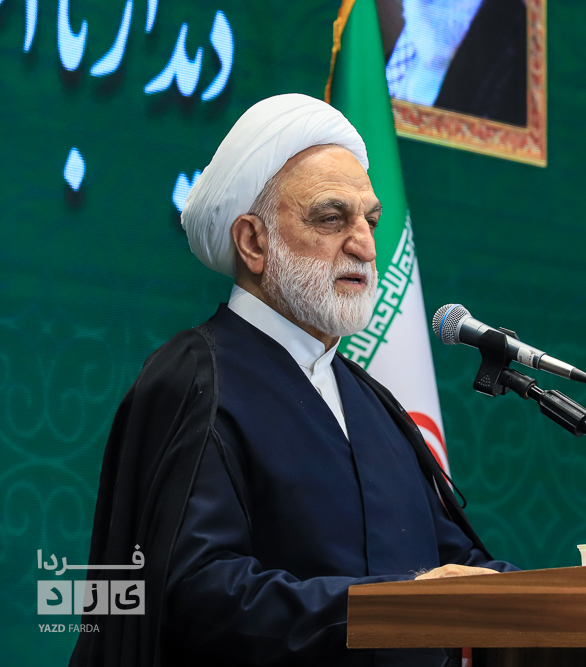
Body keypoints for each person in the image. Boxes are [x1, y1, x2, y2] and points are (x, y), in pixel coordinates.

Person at [70, 93, 516, 667]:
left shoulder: (370, 401)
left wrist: (568, 597)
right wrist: (394, 606)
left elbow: (454, 567)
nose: (364, 245)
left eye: (370, 220)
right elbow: (193, 594)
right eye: (331, 218)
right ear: (253, 242)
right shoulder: (194, 380)